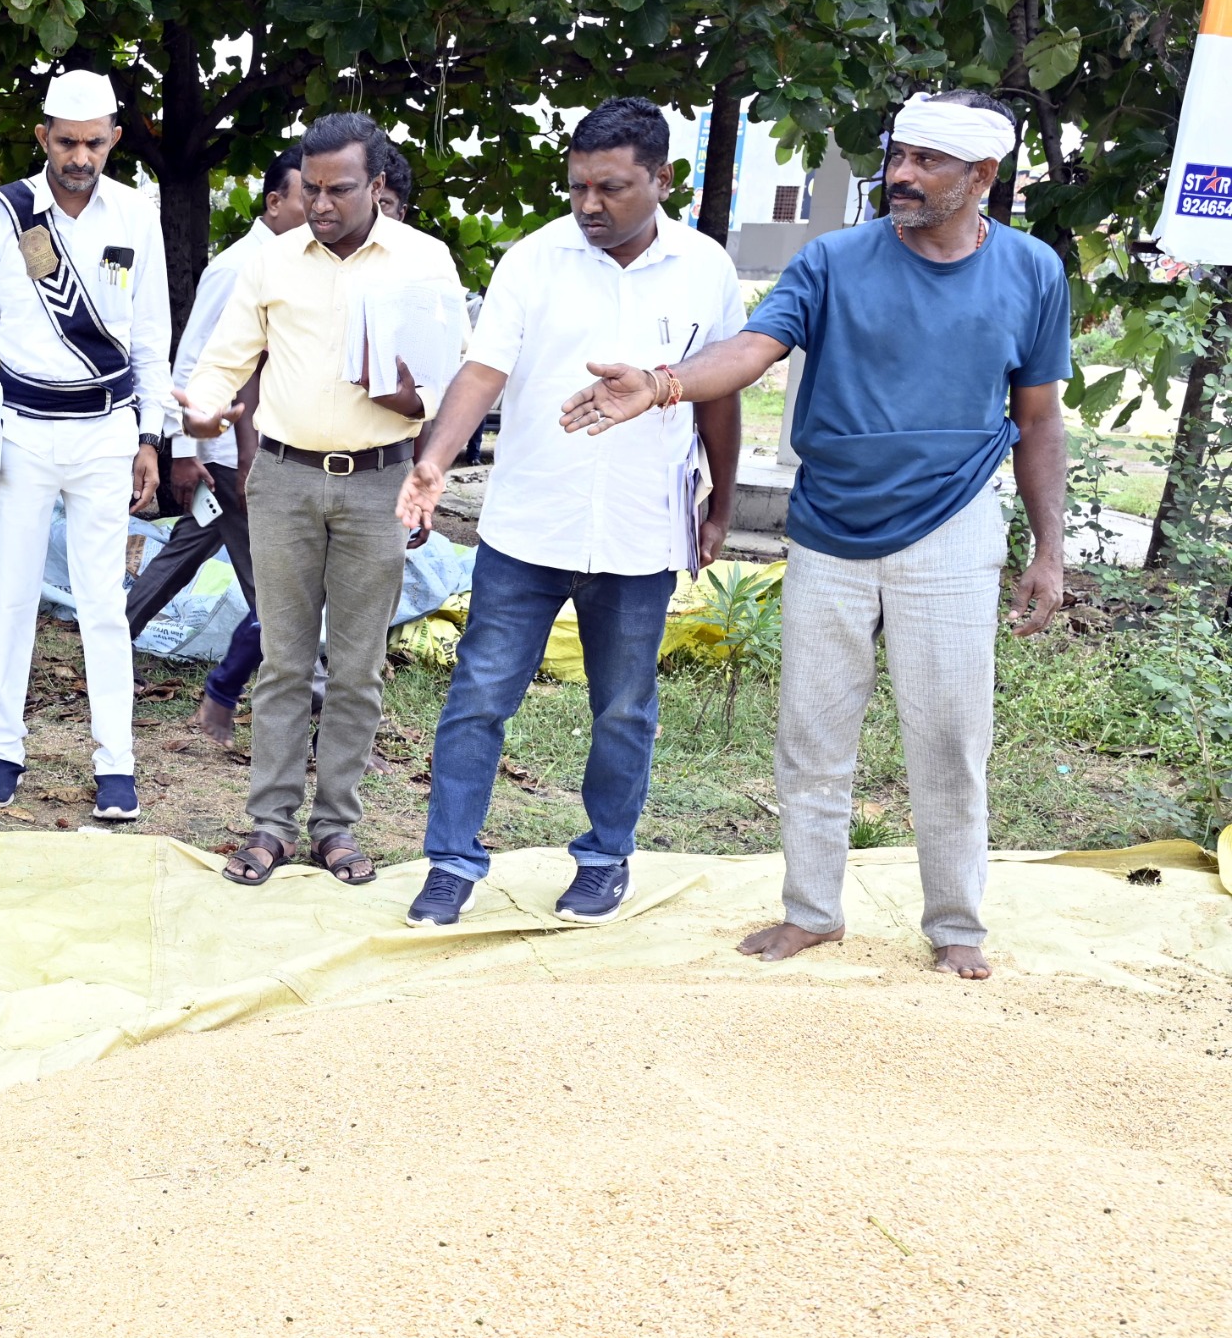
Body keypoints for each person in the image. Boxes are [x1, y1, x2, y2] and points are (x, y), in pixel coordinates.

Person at [560, 90, 1068, 980]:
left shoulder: (1032, 271)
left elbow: (1038, 417)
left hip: (952, 530)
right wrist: (664, 382)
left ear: (981, 177)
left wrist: (1049, 548)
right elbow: (754, 350)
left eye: (925, 161)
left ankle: (957, 924)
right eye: (897, 154)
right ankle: (811, 912)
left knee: (950, 738)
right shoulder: (832, 259)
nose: (899, 174)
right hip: (831, 527)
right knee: (811, 734)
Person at [395, 96, 747, 928]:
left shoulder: (706, 268)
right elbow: (482, 371)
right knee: (479, 694)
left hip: (639, 531)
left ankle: (604, 858)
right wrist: (434, 460)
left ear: (663, 179)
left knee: (624, 706)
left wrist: (721, 501)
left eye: (612, 188)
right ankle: (449, 864)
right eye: (578, 187)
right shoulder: (534, 260)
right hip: (528, 527)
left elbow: (721, 394)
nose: (589, 205)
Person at [180, 111, 465, 887]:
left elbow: (456, 382)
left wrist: (419, 412)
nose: (322, 204)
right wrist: (203, 409)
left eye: (340, 189)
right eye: (311, 188)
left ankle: (336, 825)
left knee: (357, 667)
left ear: (377, 185)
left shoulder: (423, 261)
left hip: (379, 480)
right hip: (282, 478)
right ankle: (269, 824)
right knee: (281, 658)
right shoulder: (271, 262)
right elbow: (223, 360)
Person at [0, 69, 172, 822]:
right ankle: (2, 749)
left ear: (114, 140)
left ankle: (117, 763)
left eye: (94, 142)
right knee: (10, 594)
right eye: (66, 141)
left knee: (105, 602)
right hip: (25, 432)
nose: (79, 156)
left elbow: (152, 338)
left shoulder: (137, 213)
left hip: (106, 431)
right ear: (42, 138)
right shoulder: (3, 216)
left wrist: (151, 436)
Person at [126, 146, 306, 745]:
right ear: (275, 201)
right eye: (311, 195)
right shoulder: (240, 267)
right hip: (234, 456)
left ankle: (111, 639)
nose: (323, 208)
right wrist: (184, 450)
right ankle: (307, 712)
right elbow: (193, 357)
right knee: (278, 592)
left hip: (256, 453)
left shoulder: (297, 262)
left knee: (186, 553)